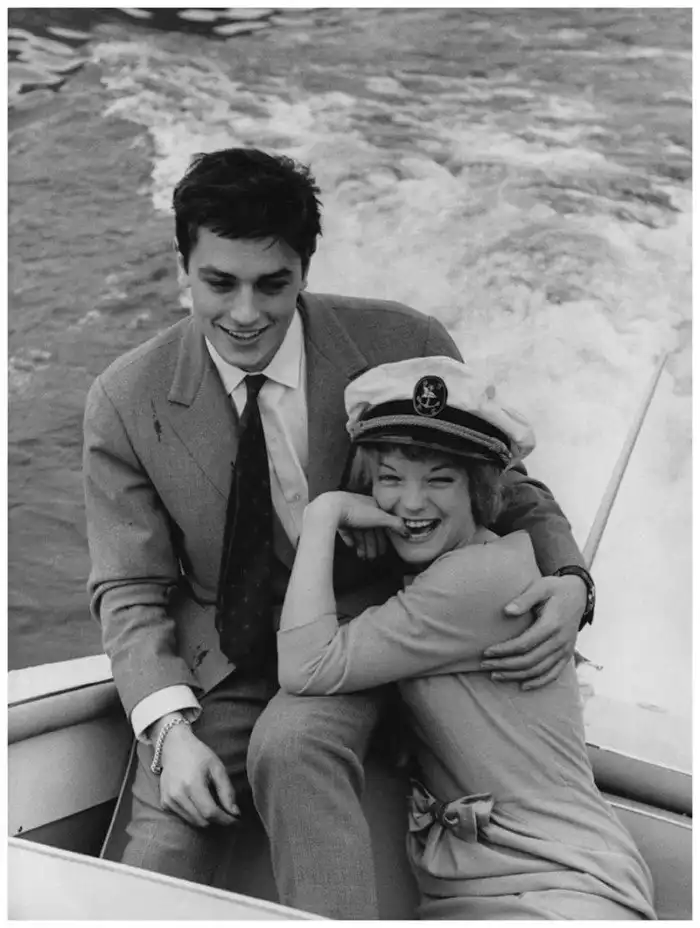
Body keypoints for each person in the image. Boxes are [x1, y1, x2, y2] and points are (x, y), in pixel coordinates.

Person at [83, 147, 595, 918]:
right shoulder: (125, 399)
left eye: (272, 284)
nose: (245, 313)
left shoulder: (401, 342)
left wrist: (573, 581)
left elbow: (508, 491)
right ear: (184, 267)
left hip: (380, 630)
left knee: (292, 745)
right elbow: (129, 588)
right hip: (229, 660)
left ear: (305, 270)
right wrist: (169, 731)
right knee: (157, 854)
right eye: (219, 284)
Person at [277, 356, 655, 920]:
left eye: (440, 480)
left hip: (562, 886)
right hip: (476, 888)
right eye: (390, 478)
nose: (411, 502)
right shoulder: (454, 571)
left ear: (479, 490)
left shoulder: (475, 581)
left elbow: (304, 666)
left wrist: (323, 515)